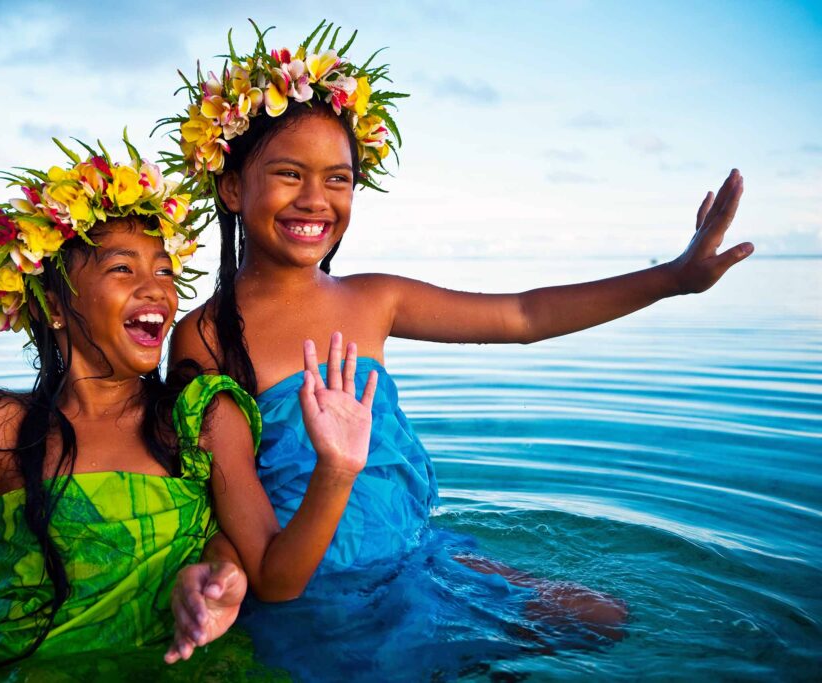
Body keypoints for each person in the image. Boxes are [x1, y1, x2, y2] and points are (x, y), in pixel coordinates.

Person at [164, 20, 752, 678]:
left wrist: (672, 279)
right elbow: (248, 542)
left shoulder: (373, 298)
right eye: (288, 173)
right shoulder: (204, 337)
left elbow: (524, 314)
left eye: (338, 179)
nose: (315, 199)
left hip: (416, 557)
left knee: (601, 617)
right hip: (318, 597)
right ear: (231, 186)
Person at [0, 136, 377, 681]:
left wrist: (335, 471)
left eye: (164, 271)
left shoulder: (203, 418)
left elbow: (275, 580)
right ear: (52, 303)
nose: (156, 290)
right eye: (122, 269)